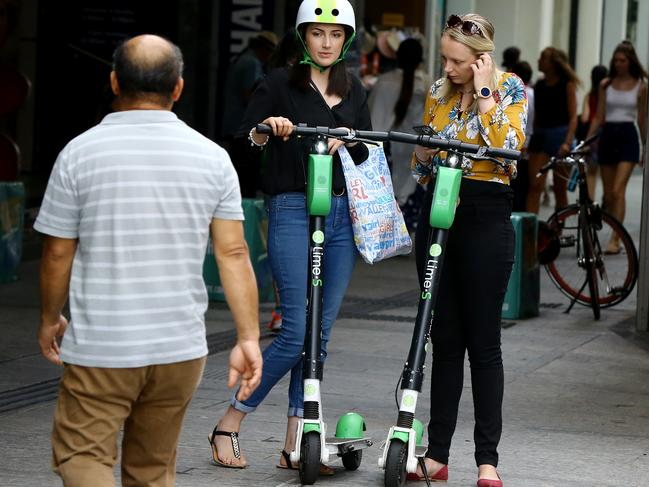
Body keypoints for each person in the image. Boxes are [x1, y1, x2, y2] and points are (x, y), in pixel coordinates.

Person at [34, 34, 263, 487]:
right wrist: (248, 337)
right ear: (178, 87)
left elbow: (58, 250)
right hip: (179, 348)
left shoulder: (78, 154)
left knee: (83, 457)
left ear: (114, 81)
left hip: (102, 346)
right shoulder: (213, 158)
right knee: (152, 470)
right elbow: (234, 252)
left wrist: (49, 317)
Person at [210, 0, 371, 473]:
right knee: (296, 331)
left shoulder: (354, 88)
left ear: (346, 41)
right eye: (318, 33)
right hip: (293, 209)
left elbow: (365, 159)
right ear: (303, 37)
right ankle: (229, 423)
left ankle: (296, 444)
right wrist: (268, 129)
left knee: (318, 337)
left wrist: (352, 140)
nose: (326, 42)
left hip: (340, 216)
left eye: (335, 34)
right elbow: (242, 140)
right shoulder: (279, 83)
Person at [410, 13, 527, 487]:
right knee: (444, 340)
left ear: (480, 58)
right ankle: (437, 455)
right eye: (445, 57)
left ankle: (487, 460)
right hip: (440, 213)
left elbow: (509, 149)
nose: (448, 67)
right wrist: (421, 157)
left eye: (457, 60)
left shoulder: (510, 88)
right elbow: (421, 169)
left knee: (484, 343)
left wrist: (482, 94)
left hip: (486, 215)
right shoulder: (438, 91)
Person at [586, 41, 647, 253]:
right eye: (616, 60)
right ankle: (615, 233)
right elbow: (599, 116)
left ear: (631, 62)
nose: (619, 64)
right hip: (608, 135)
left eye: (623, 60)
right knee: (609, 195)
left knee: (618, 190)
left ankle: (615, 239)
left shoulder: (641, 86)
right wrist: (586, 142)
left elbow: (641, 119)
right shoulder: (606, 84)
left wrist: (645, 146)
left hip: (628, 136)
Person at [368, 37, 433, 229]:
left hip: (386, 148)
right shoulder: (428, 83)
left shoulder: (384, 82)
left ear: (397, 56)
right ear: (421, 59)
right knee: (411, 192)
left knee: (386, 193)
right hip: (416, 149)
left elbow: (373, 118)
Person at [221, 31, 279, 197]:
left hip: (234, 126)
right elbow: (250, 96)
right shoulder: (252, 63)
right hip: (243, 129)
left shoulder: (242, 58)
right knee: (246, 182)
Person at [526, 47, 579, 213]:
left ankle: (557, 233)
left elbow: (573, 117)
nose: (539, 60)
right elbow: (536, 116)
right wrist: (530, 137)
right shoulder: (539, 85)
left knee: (559, 188)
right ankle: (531, 232)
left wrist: (567, 142)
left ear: (554, 63)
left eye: (543, 58)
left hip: (559, 136)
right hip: (540, 135)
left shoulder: (567, 85)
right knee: (535, 186)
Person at [578, 64, 608, 199]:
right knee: (607, 173)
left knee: (591, 172)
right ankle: (607, 199)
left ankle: (590, 199)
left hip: (594, 135)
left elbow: (584, 117)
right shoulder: (609, 94)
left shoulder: (590, 96)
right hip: (608, 132)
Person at [510, 60, 534, 211]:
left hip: (516, 143)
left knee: (515, 185)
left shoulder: (515, 93)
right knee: (523, 186)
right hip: (528, 143)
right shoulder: (532, 94)